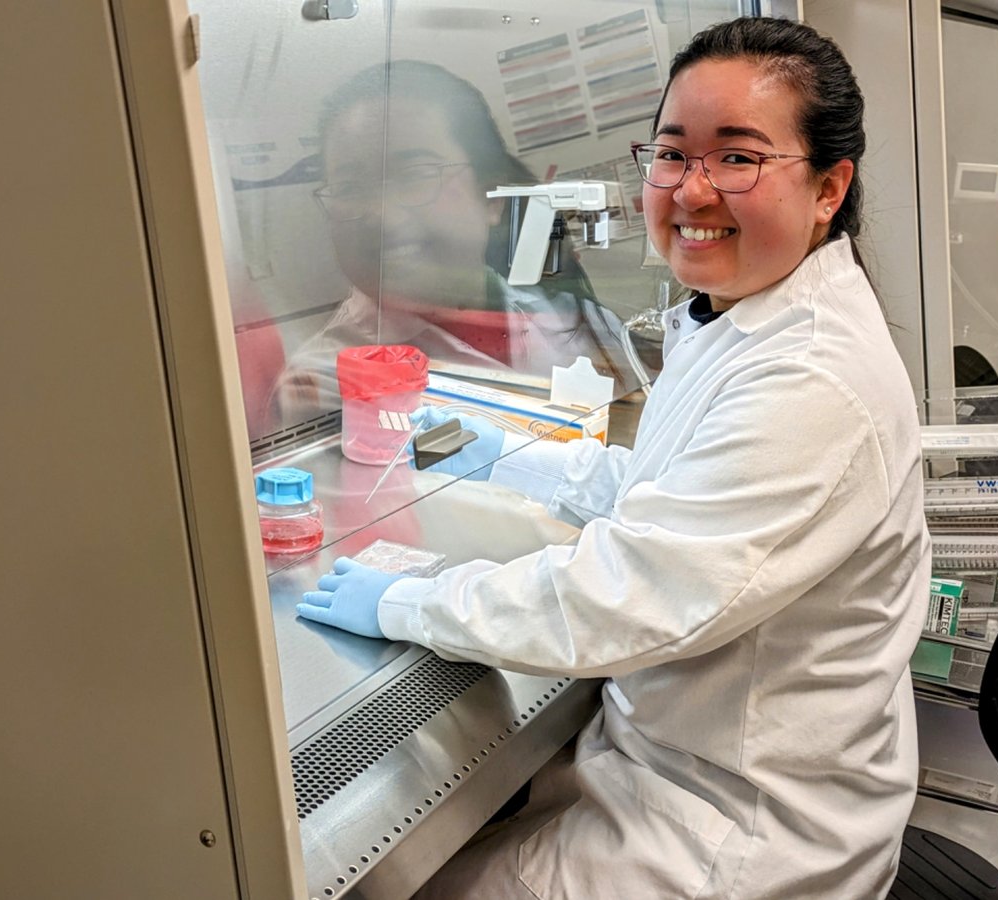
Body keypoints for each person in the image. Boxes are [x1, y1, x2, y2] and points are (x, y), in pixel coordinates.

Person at [297, 17, 930, 899]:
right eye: (672, 154)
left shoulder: (811, 377)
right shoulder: (742, 314)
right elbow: (675, 494)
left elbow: (626, 595)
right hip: (677, 771)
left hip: (733, 833)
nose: (692, 190)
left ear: (829, 186)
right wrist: (520, 459)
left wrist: (408, 599)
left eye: (738, 158)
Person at [272, 60, 634, 425]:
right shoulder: (322, 385)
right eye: (350, 187)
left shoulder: (582, 322)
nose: (381, 214)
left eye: (413, 175)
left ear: (491, 197)